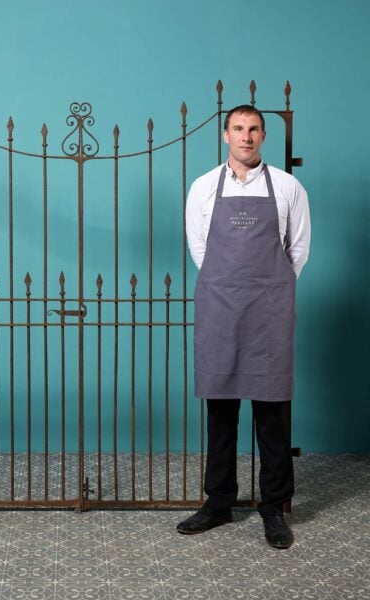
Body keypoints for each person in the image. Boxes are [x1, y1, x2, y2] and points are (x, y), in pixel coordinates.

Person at [177, 105, 311, 549]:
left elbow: (297, 250)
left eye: (253, 129)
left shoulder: (288, 187)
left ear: (263, 136)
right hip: (221, 306)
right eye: (238, 128)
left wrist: (271, 287)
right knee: (221, 409)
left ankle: (274, 507)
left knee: (272, 412)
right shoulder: (203, 187)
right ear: (225, 135)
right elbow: (200, 247)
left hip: (270, 309)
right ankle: (218, 502)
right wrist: (227, 284)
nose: (246, 137)